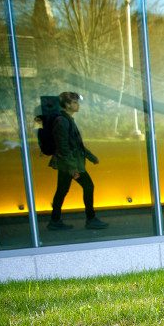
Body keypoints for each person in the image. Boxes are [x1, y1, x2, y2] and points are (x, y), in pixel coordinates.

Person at [48, 91, 107, 231]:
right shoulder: (62, 121)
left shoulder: (66, 119)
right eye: (74, 102)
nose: (77, 105)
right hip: (71, 164)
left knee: (62, 191)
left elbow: (76, 144)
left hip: (68, 163)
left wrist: (91, 157)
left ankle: (55, 220)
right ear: (67, 105)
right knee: (88, 186)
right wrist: (73, 168)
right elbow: (63, 147)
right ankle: (90, 219)